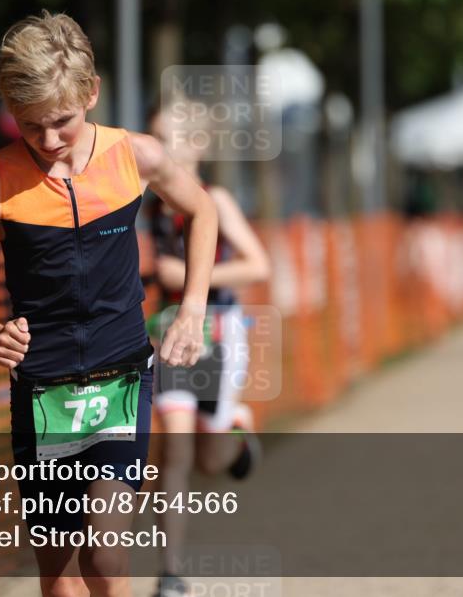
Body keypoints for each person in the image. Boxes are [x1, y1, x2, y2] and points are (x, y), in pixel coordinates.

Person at [0, 11, 218, 597]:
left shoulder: (135, 156)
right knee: (59, 569)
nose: (46, 140)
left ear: (91, 93)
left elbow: (203, 211)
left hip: (121, 375)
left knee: (102, 552)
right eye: (29, 125)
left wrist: (193, 307)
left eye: (61, 122)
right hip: (42, 388)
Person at [146, 102, 271, 597]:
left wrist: (194, 278)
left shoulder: (214, 197)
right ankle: (171, 572)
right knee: (173, 448)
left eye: (168, 139)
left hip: (218, 330)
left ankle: (236, 434)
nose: (158, 149)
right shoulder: (150, 205)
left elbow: (257, 265)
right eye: (153, 137)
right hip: (167, 329)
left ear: (197, 145)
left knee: (210, 459)